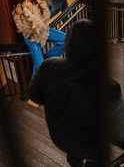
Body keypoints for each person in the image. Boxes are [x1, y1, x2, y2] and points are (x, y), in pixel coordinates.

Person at [28, 19, 124, 167]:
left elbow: (35, 96)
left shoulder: (48, 67)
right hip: (91, 145)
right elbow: (118, 131)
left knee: (74, 155)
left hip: (62, 137)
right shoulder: (108, 87)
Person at [12, 0, 65, 77]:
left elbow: (46, 18)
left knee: (66, 39)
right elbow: (26, 28)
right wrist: (28, 12)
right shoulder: (18, 10)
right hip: (31, 36)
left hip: (43, 31)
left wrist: (41, 3)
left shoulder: (36, 3)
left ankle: (48, 58)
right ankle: (33, 89)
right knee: (39, 65)